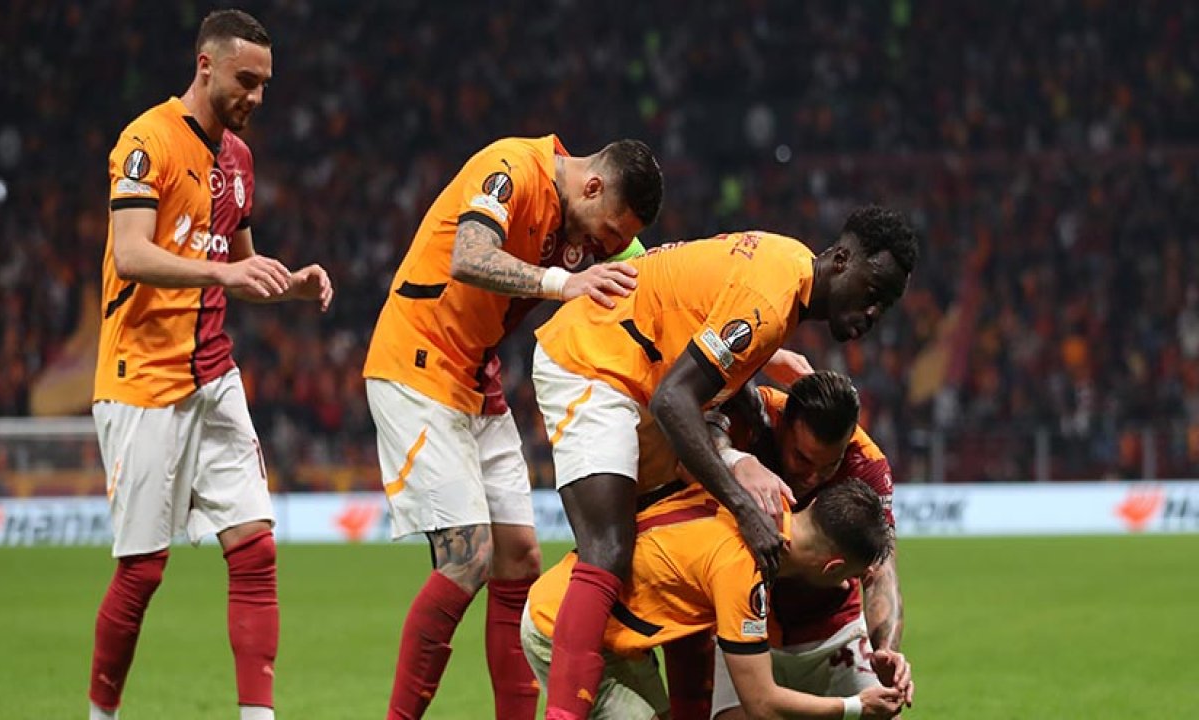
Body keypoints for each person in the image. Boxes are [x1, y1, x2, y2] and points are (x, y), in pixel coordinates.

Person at [530, 207, 918, 719]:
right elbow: (674, 400)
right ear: (842, 259)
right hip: (595, 362)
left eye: (884, 305)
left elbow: (702, 315)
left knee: (688, 567)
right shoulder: (772, 302)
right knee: (607, 551)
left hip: (636, 369)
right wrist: (742, 502)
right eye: (871, 291)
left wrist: (763, 364)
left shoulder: (786, 278)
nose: (872, 311)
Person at [362, 134, 664, 719]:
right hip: (418, 365)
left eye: (613, 243)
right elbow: (469, 256)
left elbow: (654, 277)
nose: (601, 250)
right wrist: (562, 283)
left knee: (521, 560)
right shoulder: (511, 169)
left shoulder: (596, 226)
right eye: (606, 233)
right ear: (592, 187)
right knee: (468, 557)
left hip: (478, 377)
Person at [89, 10, 333, 720]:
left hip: (214, 375)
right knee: (142, 572)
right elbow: (131, 253)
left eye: (264, 85)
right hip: (142, 379)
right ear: (205, 66)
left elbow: (241, 264)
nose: (255, 96)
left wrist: (289, 283)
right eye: (244, 80)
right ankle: (101, 714)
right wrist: (223, 274)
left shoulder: (239, 160)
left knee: (255, 548)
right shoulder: (147, 141)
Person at [523, 479, 906, 719]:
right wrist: (856, 707)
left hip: (599, 617)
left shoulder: (755, 495)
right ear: (831, 567)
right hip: (563, 624)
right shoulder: (746, 570)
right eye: (848, 577)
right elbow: (761, 704)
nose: (847, 586)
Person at [663, 372, 911, 719]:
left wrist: (885, 649)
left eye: (830, 466)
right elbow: (688, 451)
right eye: (802, 458)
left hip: (831, 631)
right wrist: (736, 459)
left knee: (886, 710)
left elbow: (881, 568)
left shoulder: (865, 463)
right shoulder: (757, 414)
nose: (813, 477)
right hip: (745, 629)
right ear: (783, 425)